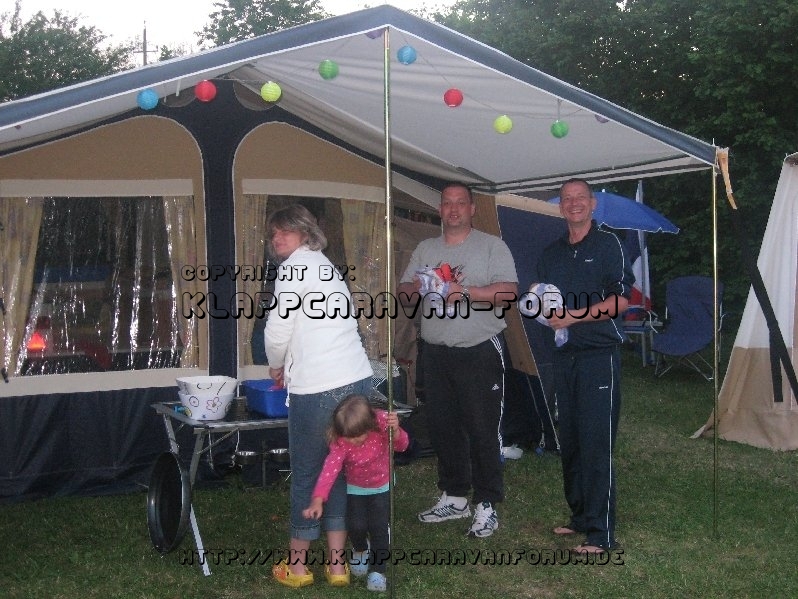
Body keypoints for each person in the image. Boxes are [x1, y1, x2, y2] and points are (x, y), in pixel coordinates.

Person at [397, 182, 518, 538]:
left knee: (482, 428)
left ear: (472, 209)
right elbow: (404, 293)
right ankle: (454, 496)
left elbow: (509, 292)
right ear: (440, 209)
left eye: (460, 203)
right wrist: (422, 288)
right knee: (443, 426)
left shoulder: (491, 246)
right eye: (447, 203)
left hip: (479, 348)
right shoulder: (426, 248)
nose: (453, 209)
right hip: (436, 351)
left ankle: (487, 503)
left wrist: (463, 291)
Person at [264, 204, 373, 588]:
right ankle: (337, 566)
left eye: (286, 231)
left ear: (306, 233)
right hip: (356, 381)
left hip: (319, 388)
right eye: (274, 233)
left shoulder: (293, 268)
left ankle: (297, 568)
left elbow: (277, 331)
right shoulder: (326, 267)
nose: (278, 238)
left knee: (309, 474)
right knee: (338, 469)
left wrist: (276, 365)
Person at [530, 178, 634, 554]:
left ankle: (601, 534)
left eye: (580, 198)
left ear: (592, 204)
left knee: (596, 443)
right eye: (567, 199)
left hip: (598, 357)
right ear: (560, 207)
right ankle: (580, 516)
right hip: (563, 357)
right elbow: (542, 298)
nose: (573, 203)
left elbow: (621, 301)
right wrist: (538, 308)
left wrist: (574, 316)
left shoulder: (608, 245)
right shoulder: (551, 252)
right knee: (571, 440)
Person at [303, 394, 410, 593]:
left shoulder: (383, 423)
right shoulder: (341, 439)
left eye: (356, 436)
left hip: (382, 485)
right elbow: (330, 470)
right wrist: (317, 499)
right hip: (356, 487)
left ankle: (378, 571)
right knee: (355, 525)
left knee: (378, 527)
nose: (352, 441)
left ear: (368, 425)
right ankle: (360, 549)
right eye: (348, 437)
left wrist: (395, 431)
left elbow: (402, 446)